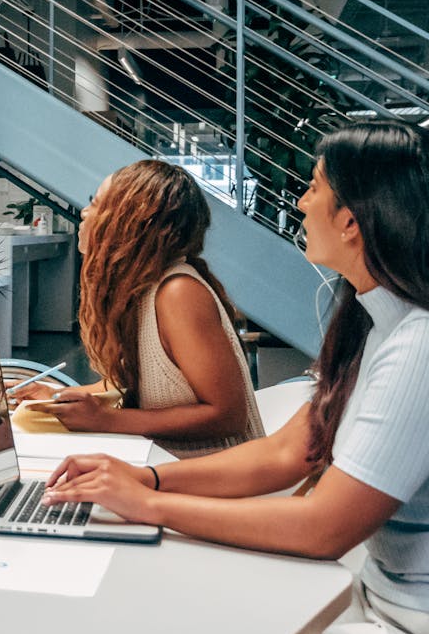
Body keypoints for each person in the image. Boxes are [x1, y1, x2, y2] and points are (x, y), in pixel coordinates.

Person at [41, 121, 429, 634]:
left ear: (352, 221)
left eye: (313, 186)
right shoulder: (379, 320)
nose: (300, 201)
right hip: (386, 605)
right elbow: (286, 453)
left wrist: (149, 504)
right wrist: (144, 476)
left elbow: (323, 527)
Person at [13, 160, 264, 457]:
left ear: (130, 221)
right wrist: (55, 396)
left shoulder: (178, 293)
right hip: (167, 466)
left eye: (96, 202)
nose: (85, 211)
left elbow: (227, 416)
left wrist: (105, 420)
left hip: (218, 480)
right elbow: (132, 384)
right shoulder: (142, 288)